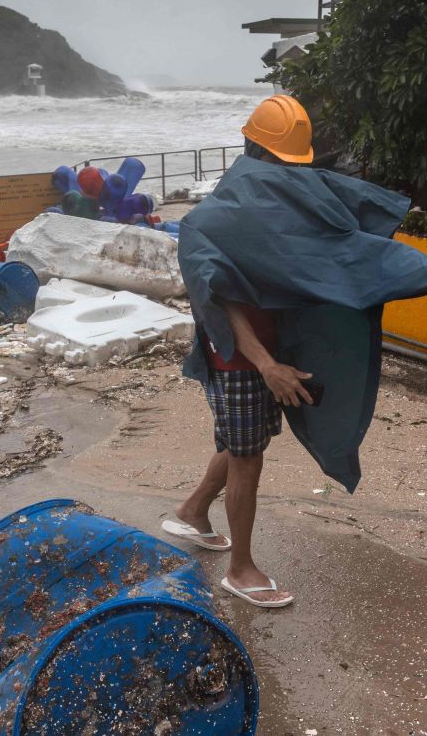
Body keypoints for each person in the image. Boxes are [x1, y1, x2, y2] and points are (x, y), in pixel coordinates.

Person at [162, 95, 318, 609]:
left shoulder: (263, 201)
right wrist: (265, 364)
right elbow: (219, 296)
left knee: (240, 443)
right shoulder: (219, 216)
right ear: (255, 148)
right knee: (248, 458)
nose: (286, 172)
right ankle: (241, 569)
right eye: (280, 161)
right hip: (238, 356)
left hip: (261, 349)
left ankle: (191, 511)